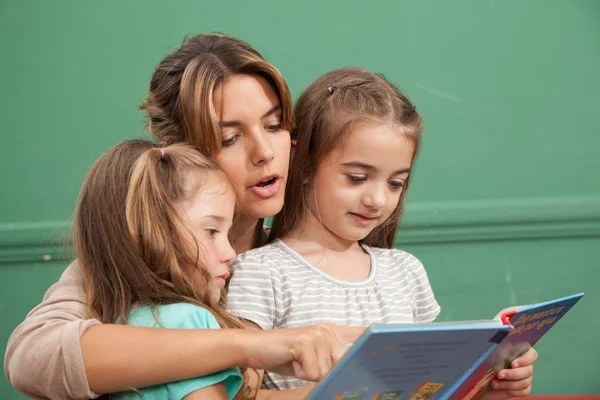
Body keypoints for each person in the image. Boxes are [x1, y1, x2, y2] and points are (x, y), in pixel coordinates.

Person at [4, 34, 360, 400]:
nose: (265, 152)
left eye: (274, 126)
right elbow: (30, 357)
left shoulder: (304, 255)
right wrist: (251, 345)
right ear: (183, 154)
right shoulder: (136, 258)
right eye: (229, 139)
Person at [227, 68, 537, 398]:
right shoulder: (261, 272)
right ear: (304, 165)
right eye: (357, 178)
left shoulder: (405, 272)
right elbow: (244, 393)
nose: (377, 200)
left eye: (395, 183)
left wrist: (492, 385)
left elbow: (428, 389)